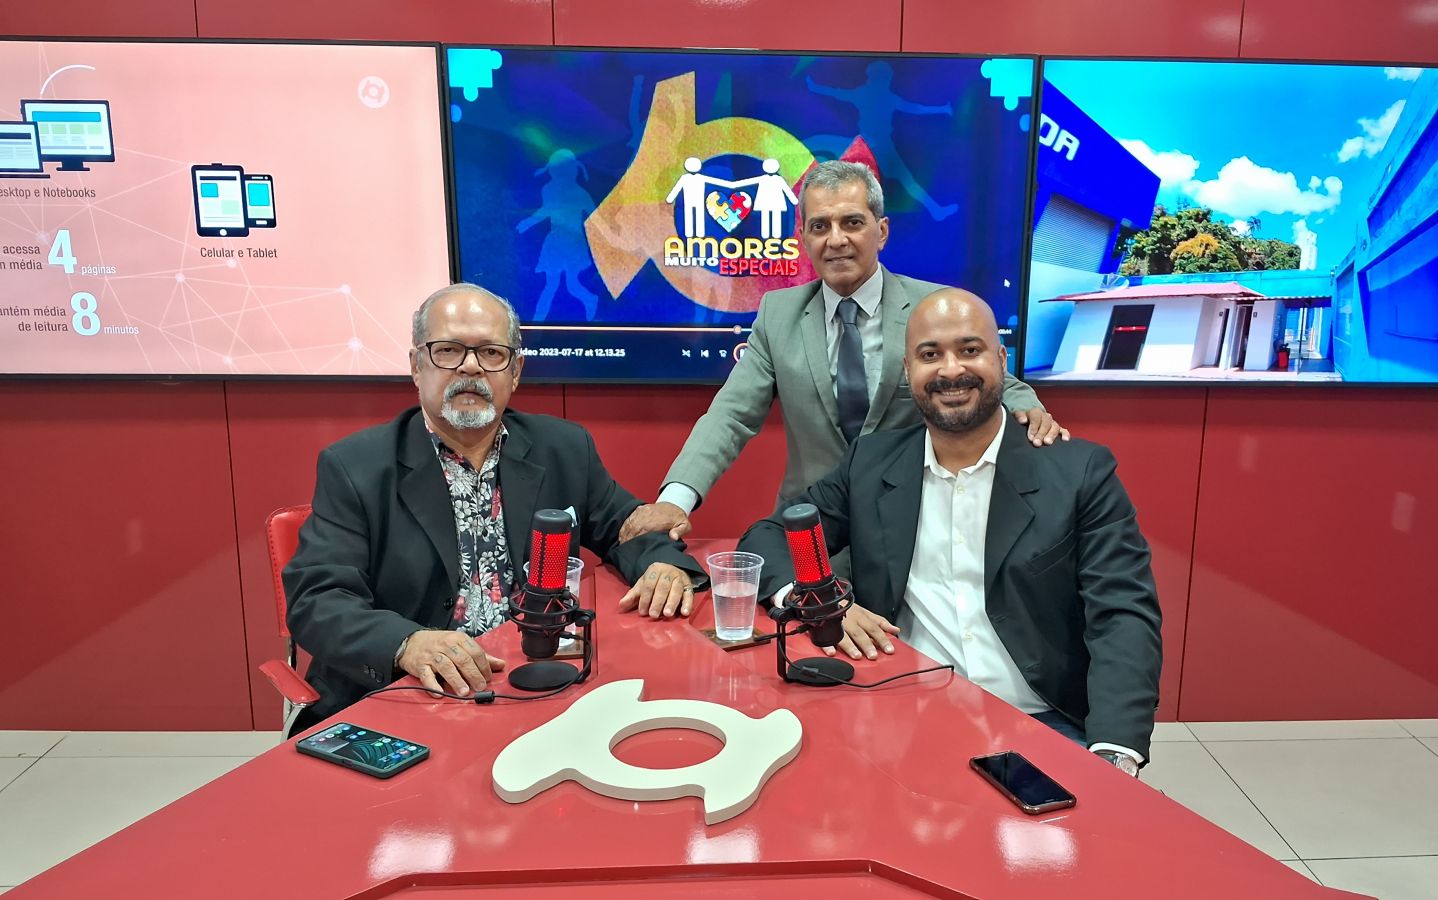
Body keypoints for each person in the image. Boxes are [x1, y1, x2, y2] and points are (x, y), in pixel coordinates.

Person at [736, 289, 1162, 773]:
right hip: (901, 714)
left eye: (969, 349)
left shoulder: (1079, 471)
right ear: (907, 370)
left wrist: (1113, 752)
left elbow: (1123, 614)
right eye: (930, 355)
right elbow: (769, 536)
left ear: (1001, 360)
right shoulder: (870, 465)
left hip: (1043, 721)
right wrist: (825, 603)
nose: (951, 370)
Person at [283, 283, 705, 732]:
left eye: (491, 353)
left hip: (537, 683)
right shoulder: (355, 466)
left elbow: (626, 526)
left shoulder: (562, 448)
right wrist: (407, 643)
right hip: (413, 695)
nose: (471, 366)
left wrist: (662, 566)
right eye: (448, 350)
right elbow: (318, 599)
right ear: (416, 366)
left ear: (515, 371)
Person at [621, 161, 1064, 552]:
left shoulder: (933, 308)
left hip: (917, 526)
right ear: (803, 238)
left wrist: (1029, 409)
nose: (836, 240)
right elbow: (731, 415)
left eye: (852, 223)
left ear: (881, 231)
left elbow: (988, 375)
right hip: (810, 528)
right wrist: (674, 500)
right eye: (820, 226)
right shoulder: (778, 315)